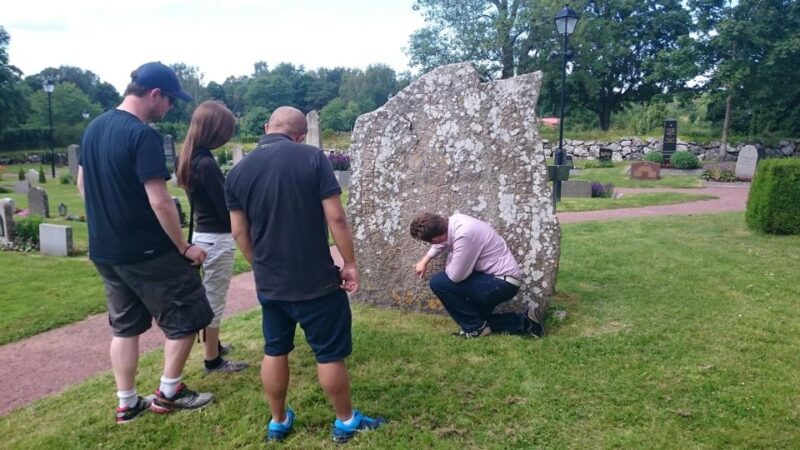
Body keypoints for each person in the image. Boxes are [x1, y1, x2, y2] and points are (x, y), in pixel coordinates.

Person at [224, 106, 386, 443]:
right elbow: (336, 219)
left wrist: (259, 265)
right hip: (316, 281)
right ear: (300, 135)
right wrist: (350, 262)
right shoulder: (312, 159)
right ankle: (345, 420)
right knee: (328, 353)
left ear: (268, 127)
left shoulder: (237, 173)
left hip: (271, 283)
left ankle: (278, 420)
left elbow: (239, 232)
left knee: (275, 349)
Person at [77, 62, 214, 424]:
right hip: (148, 251)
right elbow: (159, 199)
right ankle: (169, 392)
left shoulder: (94, 129)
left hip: (106, 252)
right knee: (188, 316)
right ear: (155, 95)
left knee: (125, 327)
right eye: (170, 101)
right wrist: (184, 247)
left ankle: (127, 402)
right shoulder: (142, 136)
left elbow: (82, 186)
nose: (169, 108)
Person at [175, 100, 248, 375]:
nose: (228, 136)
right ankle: (212, 360)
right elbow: (226, 206)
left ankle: (212, 344)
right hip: (217, 237)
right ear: (214, 130)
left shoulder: (190, 157)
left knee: (209, 294)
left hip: (202, 234)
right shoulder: (206, 163)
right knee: (215, 297)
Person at [410, 212, 545, 338]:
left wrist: (450, 259)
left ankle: (476, 328)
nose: (431, 244)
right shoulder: (453, 222)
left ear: (436, 238)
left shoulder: (464, 234)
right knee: (476, 319)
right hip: (499, 280)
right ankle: (526, 321)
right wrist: (425, 260)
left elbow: (456, 276)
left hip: (501, 283)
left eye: (429, 242)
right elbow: (443, 241)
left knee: (439, 282)